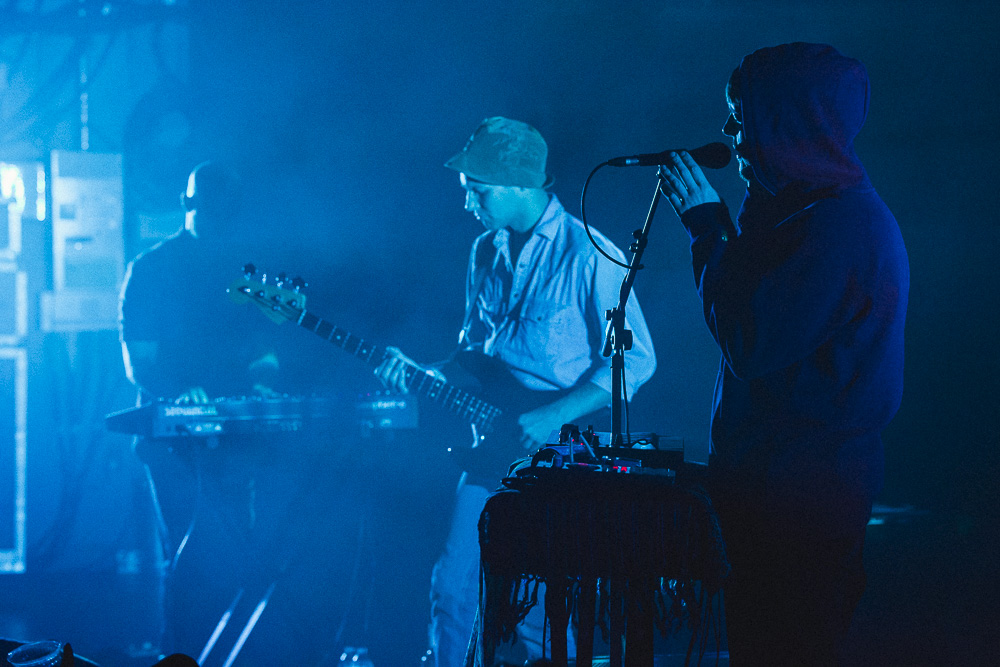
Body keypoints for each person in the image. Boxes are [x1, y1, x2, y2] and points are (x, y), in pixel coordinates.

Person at [659, 43, 909, 665]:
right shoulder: (803, 216)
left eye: (742, 116)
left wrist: (710, 231)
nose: (730, 135)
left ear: (790, 122)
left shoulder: (840, 229)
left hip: (800, 509)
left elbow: (750, 342)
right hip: (773, 498)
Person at [376, 116, 657, 666]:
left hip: (562, 451)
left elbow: (636, 360)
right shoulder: (484, 252)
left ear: (517, 186)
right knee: (453, 587)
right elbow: (473, 357)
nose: (467, 204)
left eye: (476, 192)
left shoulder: (587, 251)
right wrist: (421, 371)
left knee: (539, 608)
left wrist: (555, 415)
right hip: (493, 445)